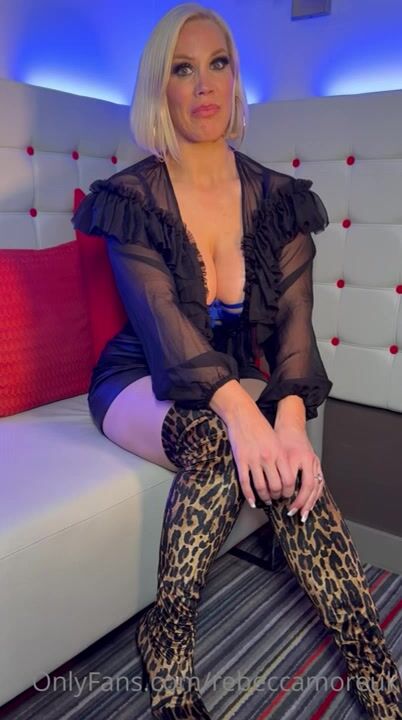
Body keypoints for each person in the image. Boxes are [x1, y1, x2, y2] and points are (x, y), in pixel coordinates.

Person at [72, 3, 402, 719]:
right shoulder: (130, 199)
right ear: (159, 89)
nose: (204, 85)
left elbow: (294, 327)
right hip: (140, 375)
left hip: (225, 372)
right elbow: (166, 336)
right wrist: (244, 417)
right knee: (225, 446)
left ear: (235, 76)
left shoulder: (279, 199)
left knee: (289, 464)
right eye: (182, 69)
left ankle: (376, 670)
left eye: (217, 63)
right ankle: (169, 641)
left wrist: (287, 420)